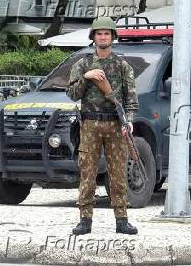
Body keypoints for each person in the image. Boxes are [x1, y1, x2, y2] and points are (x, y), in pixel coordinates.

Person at [66, 16, 139, 235]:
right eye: (99, 33)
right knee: (87, 173)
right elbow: (72, 94)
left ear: (113, 37)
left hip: (115, 125)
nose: (103, 37)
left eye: (107, 33)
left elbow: (131, 100)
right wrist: (86, 77)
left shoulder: (122, 65)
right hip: (90, 124)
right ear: (94, 37)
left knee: (117, 173)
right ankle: (85, 220)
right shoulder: (83, 64)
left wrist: (130, 122)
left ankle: (122, 219)